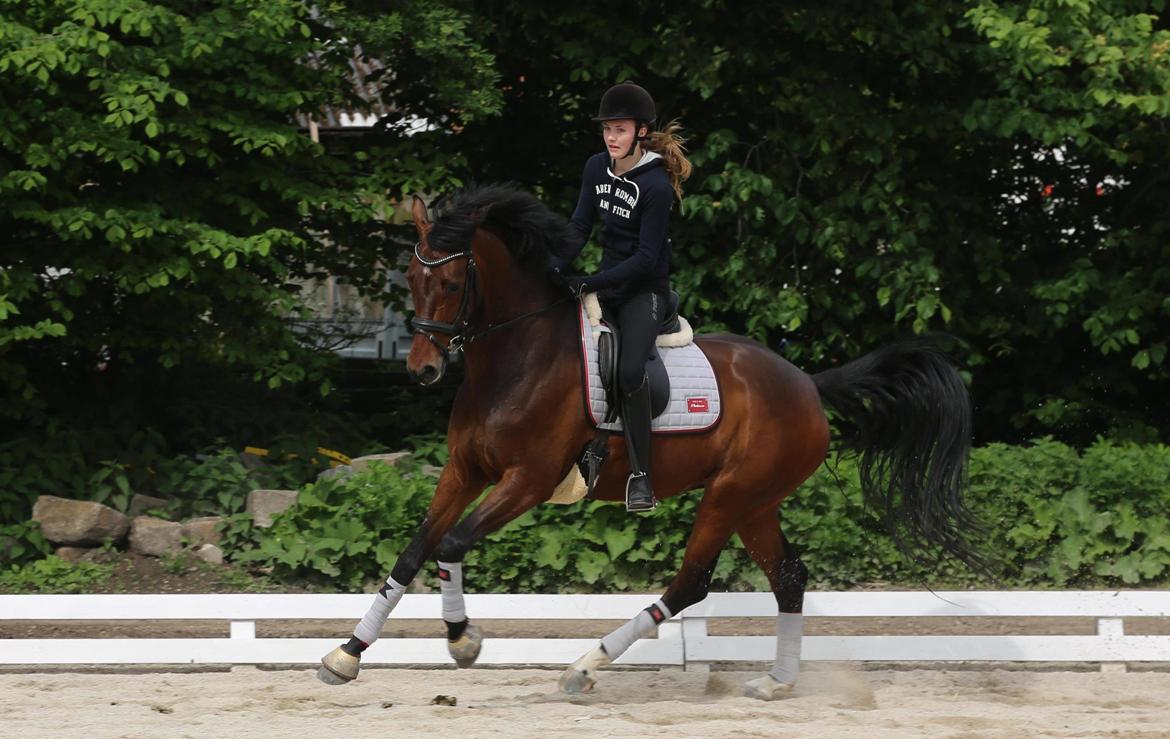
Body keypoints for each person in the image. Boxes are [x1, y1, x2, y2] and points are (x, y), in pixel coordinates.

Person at [552, 81, 693, 513]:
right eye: (607, 130)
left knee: (630, 370)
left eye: (619, 130)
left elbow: (647, 258)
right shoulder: (597, 167)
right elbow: (579, 227)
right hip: (605, 282)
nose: (611, 138)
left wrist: (592, 282)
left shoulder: (655, 187)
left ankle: (641, 477)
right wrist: (554, 268)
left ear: (641, 132)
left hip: (642, 292)